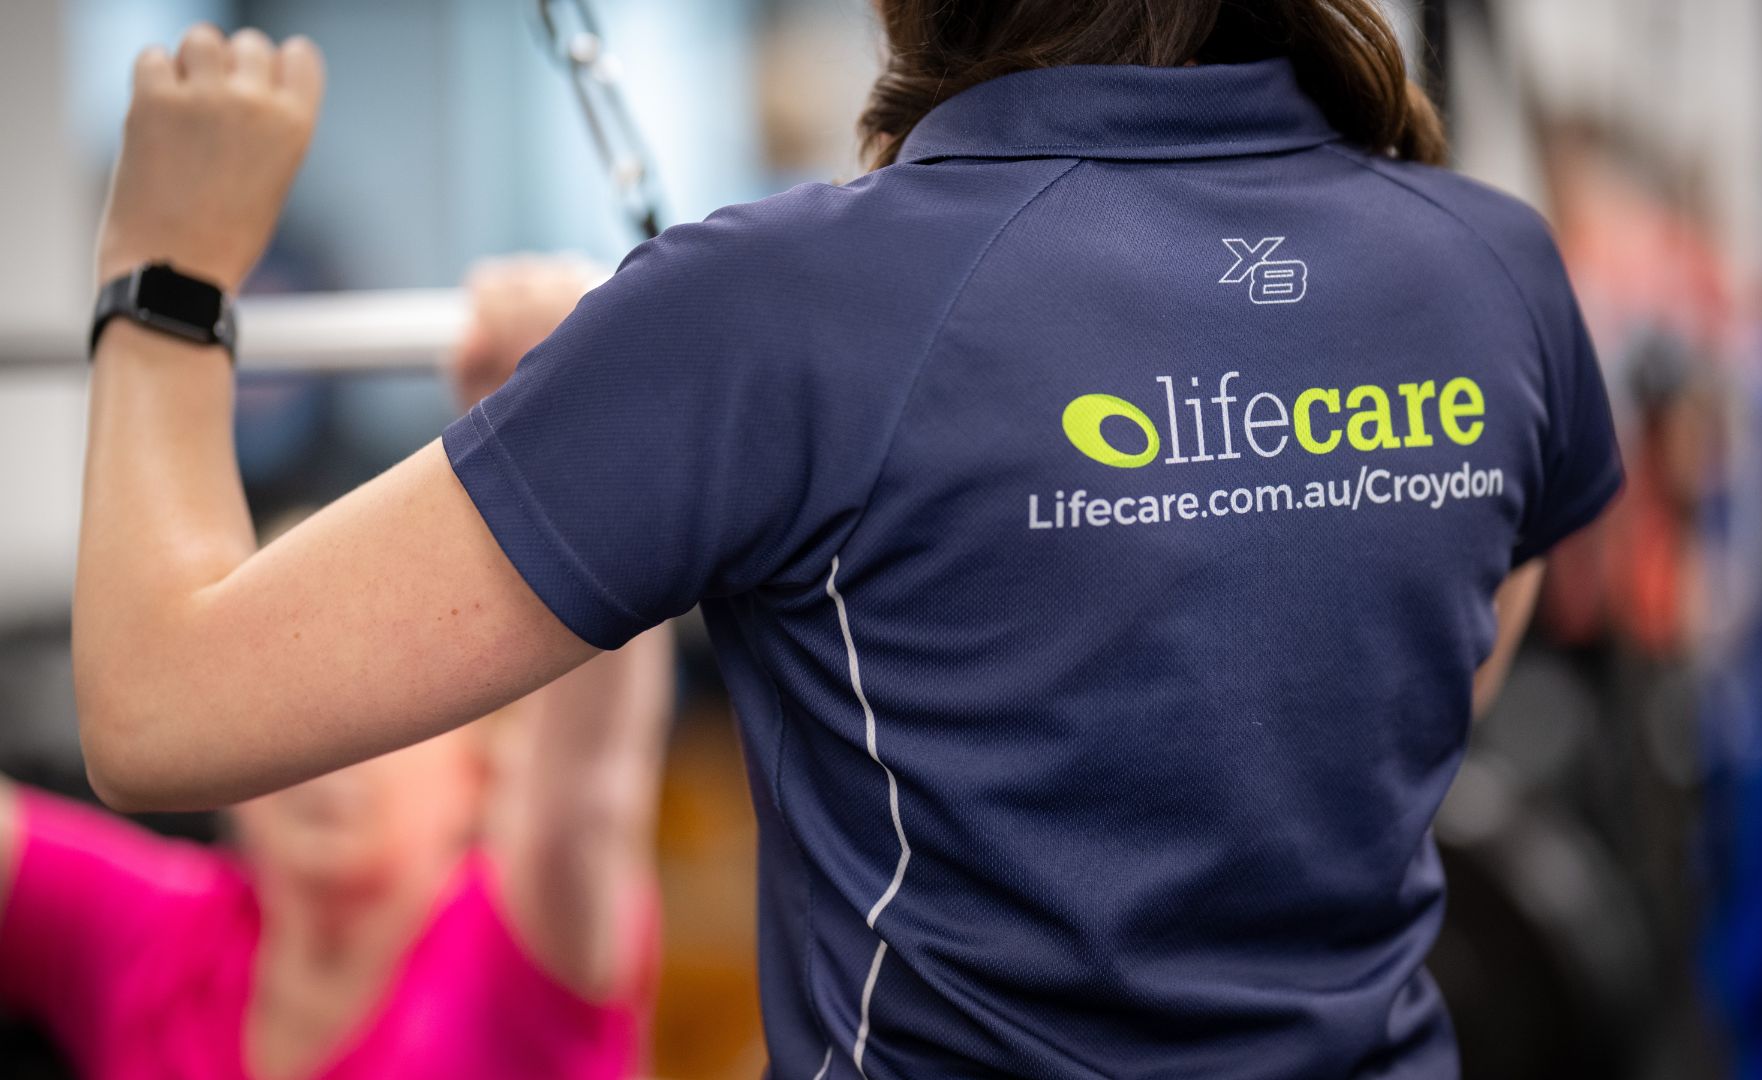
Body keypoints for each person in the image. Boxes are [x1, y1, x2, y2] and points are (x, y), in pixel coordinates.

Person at [69, 3, 1621, 1077]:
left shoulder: (783, 307)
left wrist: (169, 272)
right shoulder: (1488, 264)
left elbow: (158, 708)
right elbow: (1422, 696)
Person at [1, 257, 672, 1079]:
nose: (322, 744)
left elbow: (590, 791)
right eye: (279, 688)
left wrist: (582, 412)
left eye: (376, 693)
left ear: (483, 765)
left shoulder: (524, 948)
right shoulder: (150, 932)